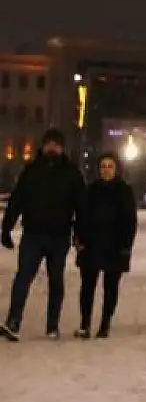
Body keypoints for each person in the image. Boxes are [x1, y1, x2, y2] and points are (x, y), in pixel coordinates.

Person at [0, 127, 86, 341]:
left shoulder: (71, 173)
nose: (52, 148)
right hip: (33, 234)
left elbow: (81, 206)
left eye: (56, 145)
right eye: (49, 144)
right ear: (43, 145)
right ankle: (13, 321)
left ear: (61, 147)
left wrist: (80, 233)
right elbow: (17, 200)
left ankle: (52, 325)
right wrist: (6, 228)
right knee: (23, 278)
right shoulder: (32, 171)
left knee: (56, 280)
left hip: (59, 235)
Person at [74, 152, 138, 339]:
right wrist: (78, 239)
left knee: (110, 288)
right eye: (103, 166)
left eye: (110, 166)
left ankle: (105, 324)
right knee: (87, 287)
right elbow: (81, 216)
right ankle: (85, 323)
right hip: (91, 245)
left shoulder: (124, 191)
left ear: (116, 169)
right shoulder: (90, 190)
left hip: (115, 247)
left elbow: (130, 221)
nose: (106, 170)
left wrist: (126, 245)